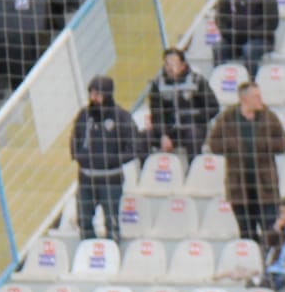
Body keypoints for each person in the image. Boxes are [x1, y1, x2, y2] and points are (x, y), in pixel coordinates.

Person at [207, 82, 285, 241]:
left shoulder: (268, 116)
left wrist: (263, 145)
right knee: (246, 234)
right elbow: (213, 144)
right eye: (256, 96)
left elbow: (284, 142)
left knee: (271, 233)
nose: (260, 99)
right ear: (244, 99)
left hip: (266, 187)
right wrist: (234, 146)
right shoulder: (228, 117)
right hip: (239, 188)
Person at [69, 75, 142, 242]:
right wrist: (79, 155)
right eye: (91, 93)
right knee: (83, 220)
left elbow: (134, 146)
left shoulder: (121, 116)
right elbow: (74, 138)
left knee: (112, 221)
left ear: (107, 94)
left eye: (97, 94)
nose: (93, 98)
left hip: (110, 179)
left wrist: (111, 160)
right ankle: (89, 251)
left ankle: (113, 253)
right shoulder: (84, 115)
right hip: (86, 178)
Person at [146, 48, 220, 156]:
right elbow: (156, 113)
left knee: (192, 136)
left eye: (174, 64)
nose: (170, 68)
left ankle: (193, 169)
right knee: (143, 137)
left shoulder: (197, 81)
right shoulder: (157, 85)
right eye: (167, 64)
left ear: (183, 65)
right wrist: (163, 134)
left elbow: (213, 107)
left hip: (193, 127)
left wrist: (194, 118)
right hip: (170, 129)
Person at [218, 0, 280, 70]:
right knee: (219, 48)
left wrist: (250, 33)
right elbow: (220, 15)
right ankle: (218, 82)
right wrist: (228, 33)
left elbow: (272, 22)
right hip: (235, 37)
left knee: (249, 49)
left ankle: (250, 82)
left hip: (261, 39)